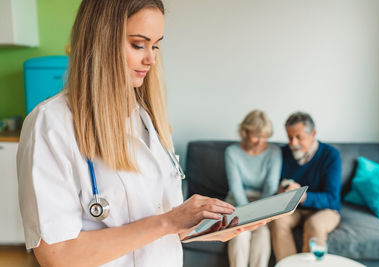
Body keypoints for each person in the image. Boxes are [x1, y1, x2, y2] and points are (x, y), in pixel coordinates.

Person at [16, 1, 264, 266]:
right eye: (138, 44)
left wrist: (202, 227)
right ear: (100, 41)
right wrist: (167, 222)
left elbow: (159, 225)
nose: (151, 59)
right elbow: (57, 255)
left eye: (155, 45)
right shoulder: (51, 125)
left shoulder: (147, 119)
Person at [269, 112, 342, 262]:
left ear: (313, 134)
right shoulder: (282, 153)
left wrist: (303, 196)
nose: (293, 143)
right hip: (293, 209)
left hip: (324, 210)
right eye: (289, 137)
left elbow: (333, 199)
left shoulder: (331, 155)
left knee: (314, 225)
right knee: (278, 221)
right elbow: (276, 185)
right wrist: (282, 190)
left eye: (299, 137)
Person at [225, 110, 282, 267]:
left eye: (264, 137)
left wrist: (260, 212)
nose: (260, 142)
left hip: (264, 202)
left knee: (263, 234)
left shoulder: (274, 152)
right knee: (240, 235)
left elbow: (271, 184)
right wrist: (246, 213)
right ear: (245, 132)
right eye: (256, 136)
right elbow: (235, 187)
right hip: (238, 202)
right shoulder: (232, 152)